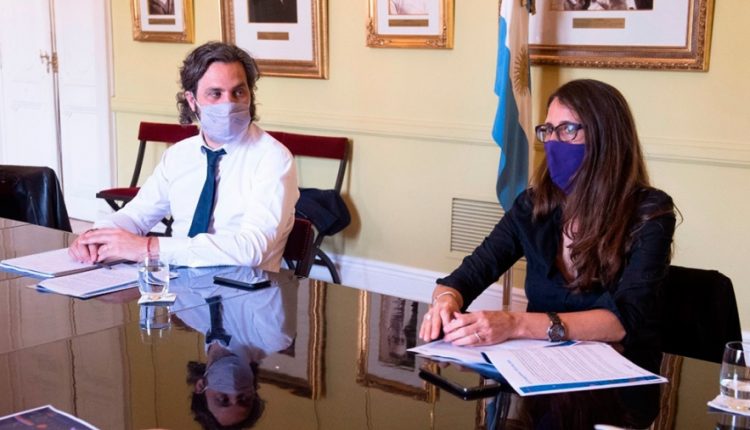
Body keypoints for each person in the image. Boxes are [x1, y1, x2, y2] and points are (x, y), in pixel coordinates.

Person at [419, 79, 676, 375]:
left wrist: (515, 323)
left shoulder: (649, 212)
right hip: (540, 372)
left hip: (622, 377)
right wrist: (446, 301)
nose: (553, 141)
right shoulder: (533, 205)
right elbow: (467, 275)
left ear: (605, 137)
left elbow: (623, 321)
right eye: (548, 130)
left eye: (567, 129)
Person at [68, 42, 299, 271]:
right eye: (215, 94)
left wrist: (148, 247)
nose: (228, 103)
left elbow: (252, 249)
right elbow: (137, 215)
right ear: (192, 100)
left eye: (238, 92)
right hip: (177, 282)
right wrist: (95, 236)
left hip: (242, 288)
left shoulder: (273, 158)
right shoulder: (178, 155)